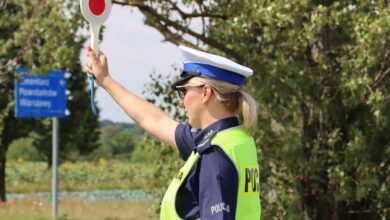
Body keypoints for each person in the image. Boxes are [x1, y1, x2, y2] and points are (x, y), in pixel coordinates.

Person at [85, 45, 261, 220]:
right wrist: (105, 80)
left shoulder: (214, 154)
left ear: (205, 93)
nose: (181, 101)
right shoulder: (234, 138)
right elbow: (154, 120)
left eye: (183, 91)